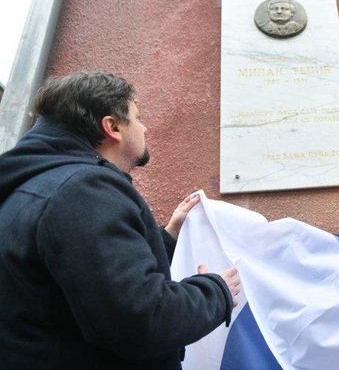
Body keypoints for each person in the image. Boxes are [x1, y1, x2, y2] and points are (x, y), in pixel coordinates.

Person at [0, 71, 241, 369]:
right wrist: (215, 292)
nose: (145, 127)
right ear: (112, 127)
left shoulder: (32, 186)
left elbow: (81, 282)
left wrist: (164, 239)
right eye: (137, 117)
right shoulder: (83, 191)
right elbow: (141, 322)